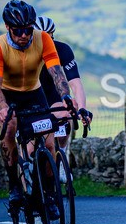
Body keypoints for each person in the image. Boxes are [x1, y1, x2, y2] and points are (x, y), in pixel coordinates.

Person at [0, 0, 74, 215]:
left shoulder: (43, 39)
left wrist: (66, 97)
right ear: (8, 27)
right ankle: (15, 185)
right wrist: (4, 107)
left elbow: (56, 72)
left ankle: (49, 194)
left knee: (49, 139)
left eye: (28, 29)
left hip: (34, 93)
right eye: (19, 30)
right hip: (6, 95)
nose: (24, 35)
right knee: (9, 129)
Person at [34, 15, 93, 152]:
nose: (45, 42)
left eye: (49, 37)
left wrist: (82, 109)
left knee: (66, 116)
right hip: (31, 95)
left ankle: (62, 156)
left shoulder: (63, 50)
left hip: (53, 94)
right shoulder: (24, 52)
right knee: (29, 148)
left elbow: (75, 83)